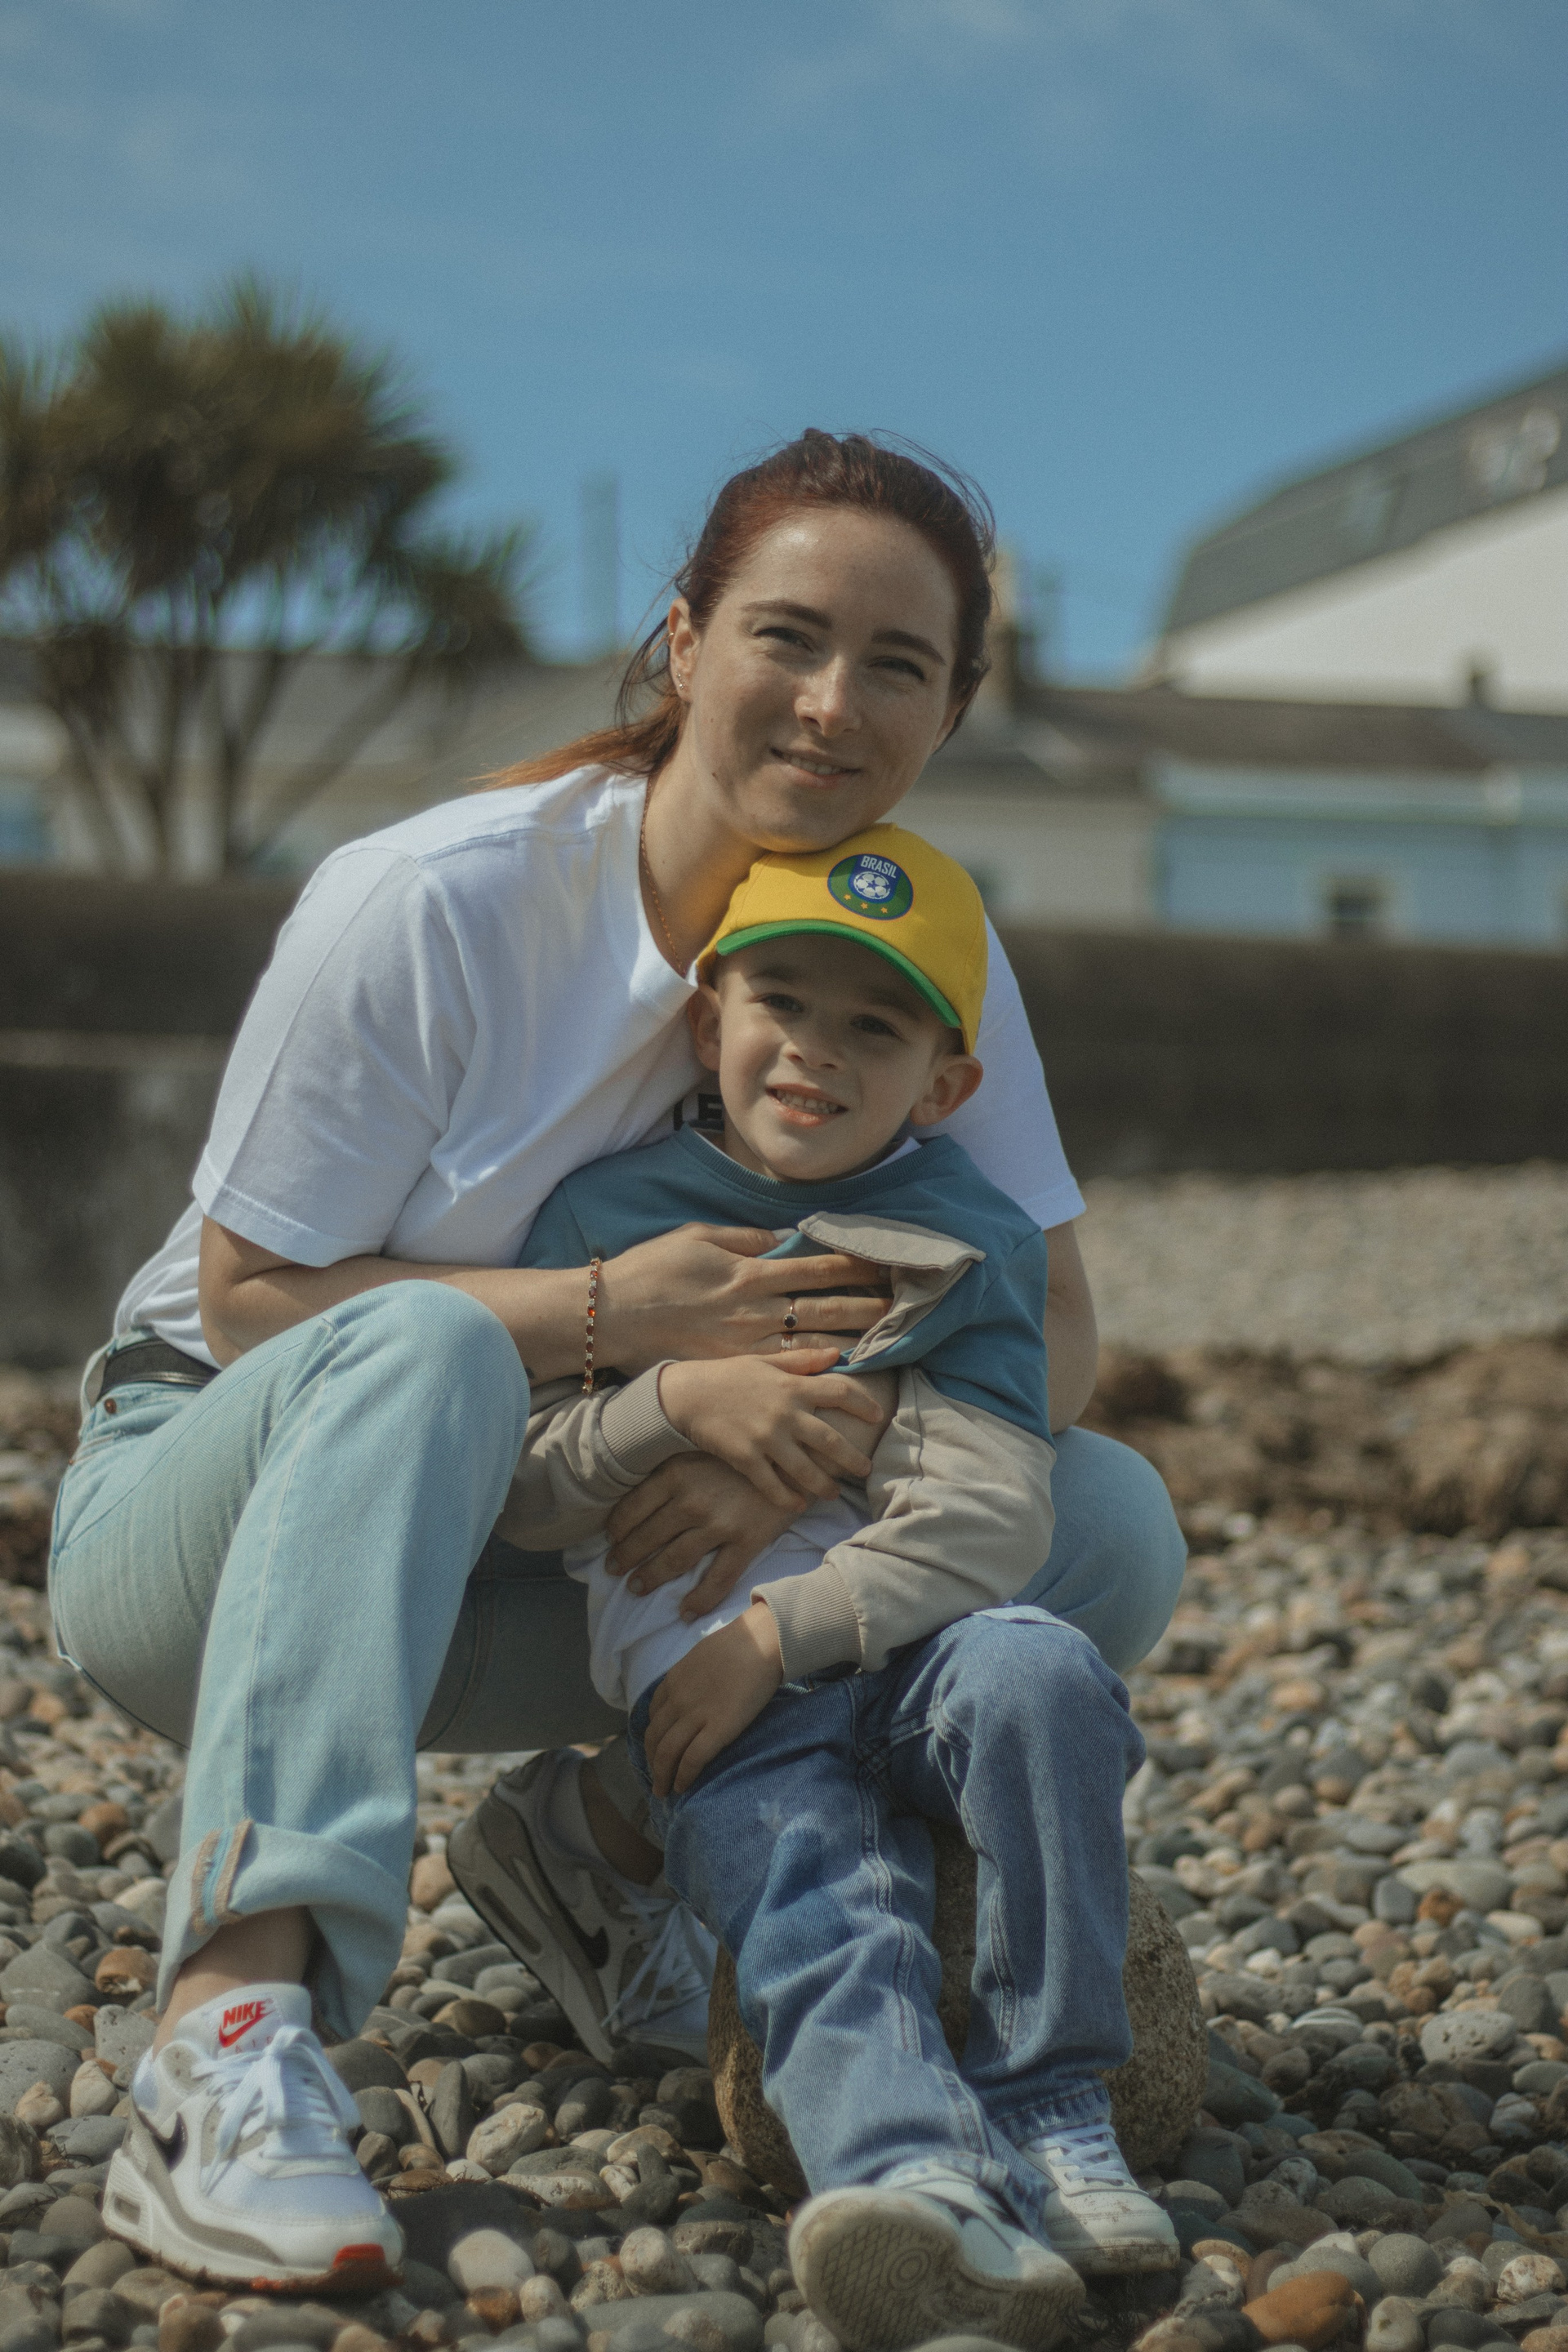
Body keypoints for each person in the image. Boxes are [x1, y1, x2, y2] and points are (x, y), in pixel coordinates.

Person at [47, 430, 1186, 2292]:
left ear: (954, 708)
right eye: (787, 637)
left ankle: (608, 1841)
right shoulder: (439, 900)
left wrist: (790, 1448)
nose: (832, 703)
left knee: (1108, 1523)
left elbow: (1054, 1327)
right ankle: (227, 2039)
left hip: (567, 1531)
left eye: (897, 664)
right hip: (226, 1521)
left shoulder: (906, 950)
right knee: (429, 1349)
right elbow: (250, 1298)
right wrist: (625, 1328)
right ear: (685, 641)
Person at [492, 825, 1176, 2351]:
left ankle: (1054, 2101)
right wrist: (669, 1405)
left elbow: (994, 1510)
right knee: (817, 1895)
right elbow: (528, 1492)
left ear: (944, 1084)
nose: (815, 1048)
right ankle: (904, 2182)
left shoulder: (970, 1236)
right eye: (782, 1001)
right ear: (707, 1021)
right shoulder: (608, 1224)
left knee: (1045, 1675)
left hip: (908, 1651)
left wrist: (771, 1631)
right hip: (709, 1704)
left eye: (875, 1026)